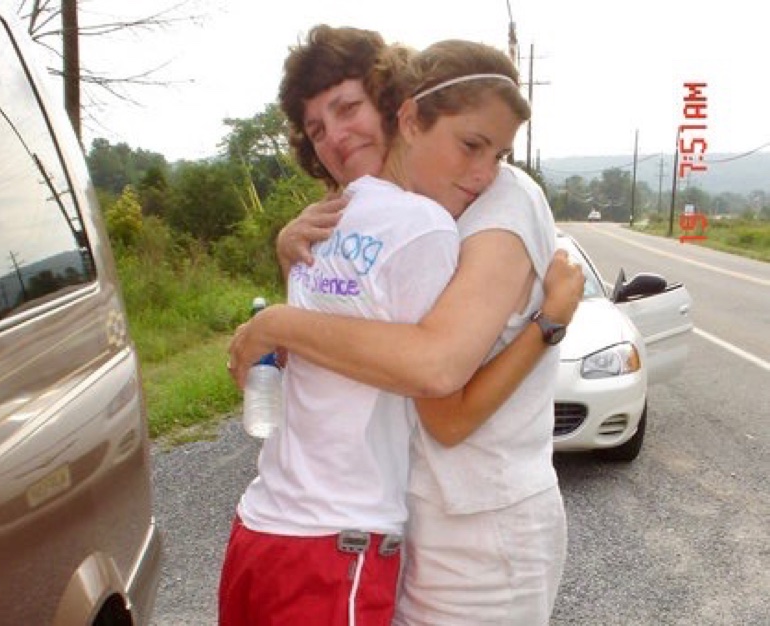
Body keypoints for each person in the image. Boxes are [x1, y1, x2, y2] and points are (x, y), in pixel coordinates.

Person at [225, 25, 583, 626]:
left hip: (480, 525)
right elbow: (341, 348)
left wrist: (550, 323)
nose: (336, 137)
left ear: (399, 111)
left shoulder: (498, 202)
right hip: (404, 522)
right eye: (317, 129)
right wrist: (290, 260)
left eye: (349, 109)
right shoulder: (381, 214)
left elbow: (438, 378)